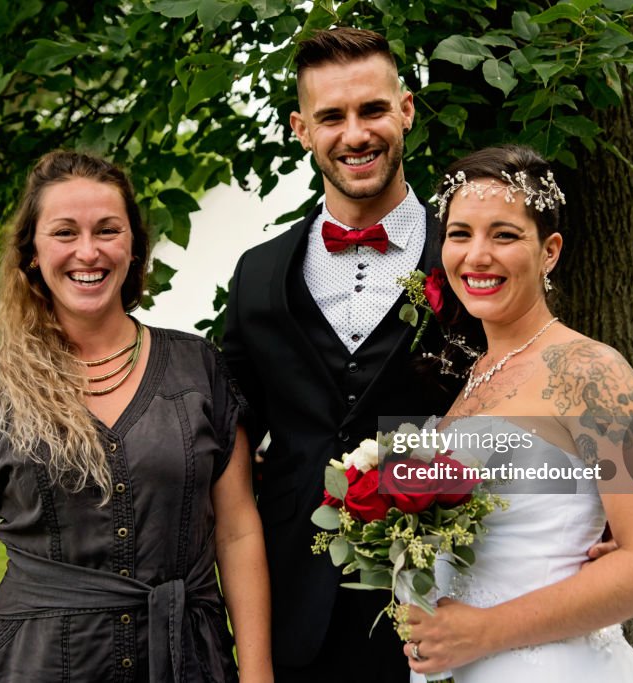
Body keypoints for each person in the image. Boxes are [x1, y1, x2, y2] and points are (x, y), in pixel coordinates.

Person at [0, 150, 272, 683]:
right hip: (36, 665)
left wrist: (257, 675)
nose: (88, 251)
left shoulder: (198, 369)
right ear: (32, 253)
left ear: (133, 247)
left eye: (107, 230)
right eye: (65, 232)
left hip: (188, 662)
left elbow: (237, 532)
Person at [402, 145, 633, 682]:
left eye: (505, 235)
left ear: (549, 250)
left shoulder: (591, 372)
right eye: (460, 234)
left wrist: (484, 631)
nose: (477, 256)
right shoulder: (474, 378)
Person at [222, 28, 454, 682]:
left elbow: (536, 387)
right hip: (294, 607)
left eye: (372, 110)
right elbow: (227, 434)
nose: (355, 134)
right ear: (302, 128)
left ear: (405, 110)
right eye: (331, 116)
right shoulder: (259, 274)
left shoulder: (467, 258)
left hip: (443, 601)